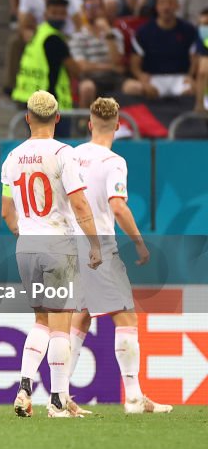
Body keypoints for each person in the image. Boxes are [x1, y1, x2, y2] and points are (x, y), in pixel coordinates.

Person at [67, 97, 172, 414]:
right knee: (125, 315)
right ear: (117, 126)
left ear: (88, 124)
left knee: (81, 317)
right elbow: (117, 205)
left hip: (70, 243)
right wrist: (139, 242)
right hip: (98, 243)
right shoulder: (113, 162)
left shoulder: (71, 156)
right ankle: (135, 398)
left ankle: (58, 395)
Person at [1, 89, 101, 419]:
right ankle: (58, 400)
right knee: (61, 325)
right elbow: (79, 202)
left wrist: (24, 233)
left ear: (27, 118)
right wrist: (95, 243)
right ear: (58, 118)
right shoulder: (64, 154)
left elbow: (6, 212)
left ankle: (25, 385)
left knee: (41, 320)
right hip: (58, 244)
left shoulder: (11, 158)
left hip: (26, 245)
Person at [12, 0, 83, 117]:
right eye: (54, 13)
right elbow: (75, 70)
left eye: (62, 14)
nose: (58, 17)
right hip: (50, 103)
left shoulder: (38, 33)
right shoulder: (54, 39)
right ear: (45, 15)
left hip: (29, 97)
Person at [127, 0, 198, 98]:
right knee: (130, 87)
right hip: (154, 78)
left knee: (197, 88)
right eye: (162, 2)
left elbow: (195, 58)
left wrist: (191, 76)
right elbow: (134, 64)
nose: (166, 7)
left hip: (180, 78)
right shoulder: (144, 32)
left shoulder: (189, 30)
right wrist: (141, 76)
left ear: (177, 6)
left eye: (170, 2)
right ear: (156, 7)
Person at [72, 0, 126, 108]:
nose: (92, 10)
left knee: (134, 88)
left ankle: (130, 125)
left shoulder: (114, 34)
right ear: (84, 9)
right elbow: (82, 66)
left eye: (96, 6)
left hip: (113, 78)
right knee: (87, 88)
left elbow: (116, 60)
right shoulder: (78, 35)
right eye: (89, 6)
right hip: (91, 78)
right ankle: (83, 125)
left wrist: (107, 32)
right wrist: (110, 67)